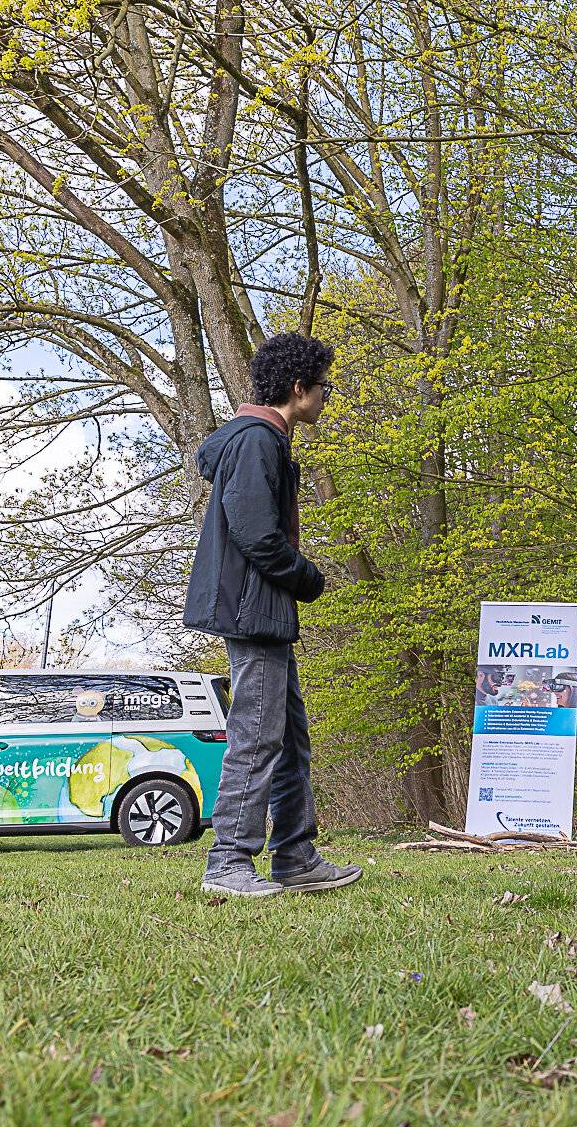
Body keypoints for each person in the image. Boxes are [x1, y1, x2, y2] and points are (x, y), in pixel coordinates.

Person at [184, 331, 361, 899]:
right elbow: (258, 536)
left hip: (263, 613)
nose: (327, 398)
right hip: (253, 612)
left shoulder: (262, 440)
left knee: (288, 735)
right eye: (323, 388)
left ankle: (295, 857)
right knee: (256, 737)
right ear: (298, 388)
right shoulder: (258, 441)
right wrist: (308, 577)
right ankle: (228, 862)